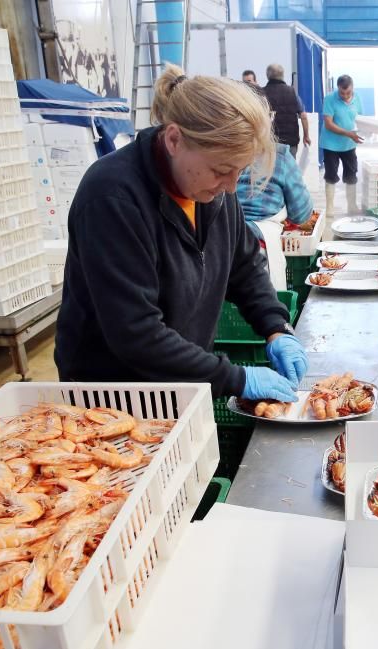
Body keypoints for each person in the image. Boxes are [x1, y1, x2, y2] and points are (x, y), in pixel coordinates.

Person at [55, 64, 308, 406]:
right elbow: (137, 333)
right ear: (174, 139)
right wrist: (234, 377)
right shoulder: (112, 199)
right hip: (112, 394)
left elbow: (244, 266)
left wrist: (275, 326)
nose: (231, 186)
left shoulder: (211, 190)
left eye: (240, 171)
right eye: (221, 171)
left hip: (179, 377)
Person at [236, 142, 314, 226]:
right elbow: (301, 214)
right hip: (263, 235)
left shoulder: (223, 154)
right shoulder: (280, 155)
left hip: (228, 232)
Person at [320, 74, 364, 216]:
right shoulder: (330, 99)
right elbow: (328, 124)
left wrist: (364, 132)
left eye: (348, 92)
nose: (345, 95)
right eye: (342, 92)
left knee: (351, 174)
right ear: (337, 88)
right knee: (331, 175)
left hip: (349, 145)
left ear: (353, 88)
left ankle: (352, 206)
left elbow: (361, 119)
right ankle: (330, 208)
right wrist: (348, 133)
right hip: (331, 144)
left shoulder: (357, 98)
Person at [262, 63, 311, 159]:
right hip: (290, 141)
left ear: (267, 76)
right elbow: (303, 116)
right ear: (283, 76)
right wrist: (306, 136)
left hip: (270, 141)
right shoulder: (292, 92)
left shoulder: (262, 93)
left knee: (270, 170)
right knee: (289, 170)